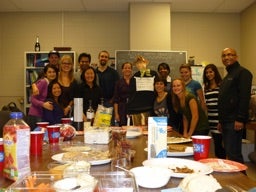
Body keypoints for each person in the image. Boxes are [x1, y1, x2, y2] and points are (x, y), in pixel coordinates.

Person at [218, 48, 253, 164]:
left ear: (236, 57)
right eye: (224, 56)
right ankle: (235, 181)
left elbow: (244, 97)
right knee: (229, 153)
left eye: (230, 55)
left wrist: (240, 119)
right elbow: (224, 101)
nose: (227, 57)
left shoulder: (243, 73)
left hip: (234, 121)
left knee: (234, 156)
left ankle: (243, 182)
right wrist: (221, 121)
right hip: (226, 121)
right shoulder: (227, 77)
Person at [127, 56, 158, 126]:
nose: (140, 65)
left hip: (151, 107)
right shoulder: (134, 76)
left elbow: (158, 87)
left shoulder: (153, 74)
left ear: (146, 63)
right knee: (138, 130)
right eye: (138, 63)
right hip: (137, 108)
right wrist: (129, 108)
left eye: (141, 62)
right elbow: (131, 93)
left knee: (150, 130)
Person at [203, 64, 226, 159]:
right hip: (211, 119)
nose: (209, 74)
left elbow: (224, 104)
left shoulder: (222, 85)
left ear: (215, 72)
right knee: (216, 144)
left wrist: (221, 121)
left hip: (219, 119)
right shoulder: (206, 87)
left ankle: (224, 165)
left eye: (211, 72)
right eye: (207, 72)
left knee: (222, 146)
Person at [27, 64, 58, 130]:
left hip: (41, 114)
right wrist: (43, 104)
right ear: (45, 74)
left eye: (54, 72)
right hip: (35, 115)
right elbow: (32, 99)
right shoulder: (43, 82)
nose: (52, 74)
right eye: (49, 72)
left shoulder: (50, 83)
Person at [113, 62, 133, 126]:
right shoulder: (118, 83)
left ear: (131, 70)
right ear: (122, 70)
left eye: (129, 68)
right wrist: (116, 114)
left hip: (133, 109)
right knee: (122, 128)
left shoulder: (135, 81)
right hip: (122, 109)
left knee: (133, 128)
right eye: (125, 68)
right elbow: (116, 99)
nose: (127, 69)